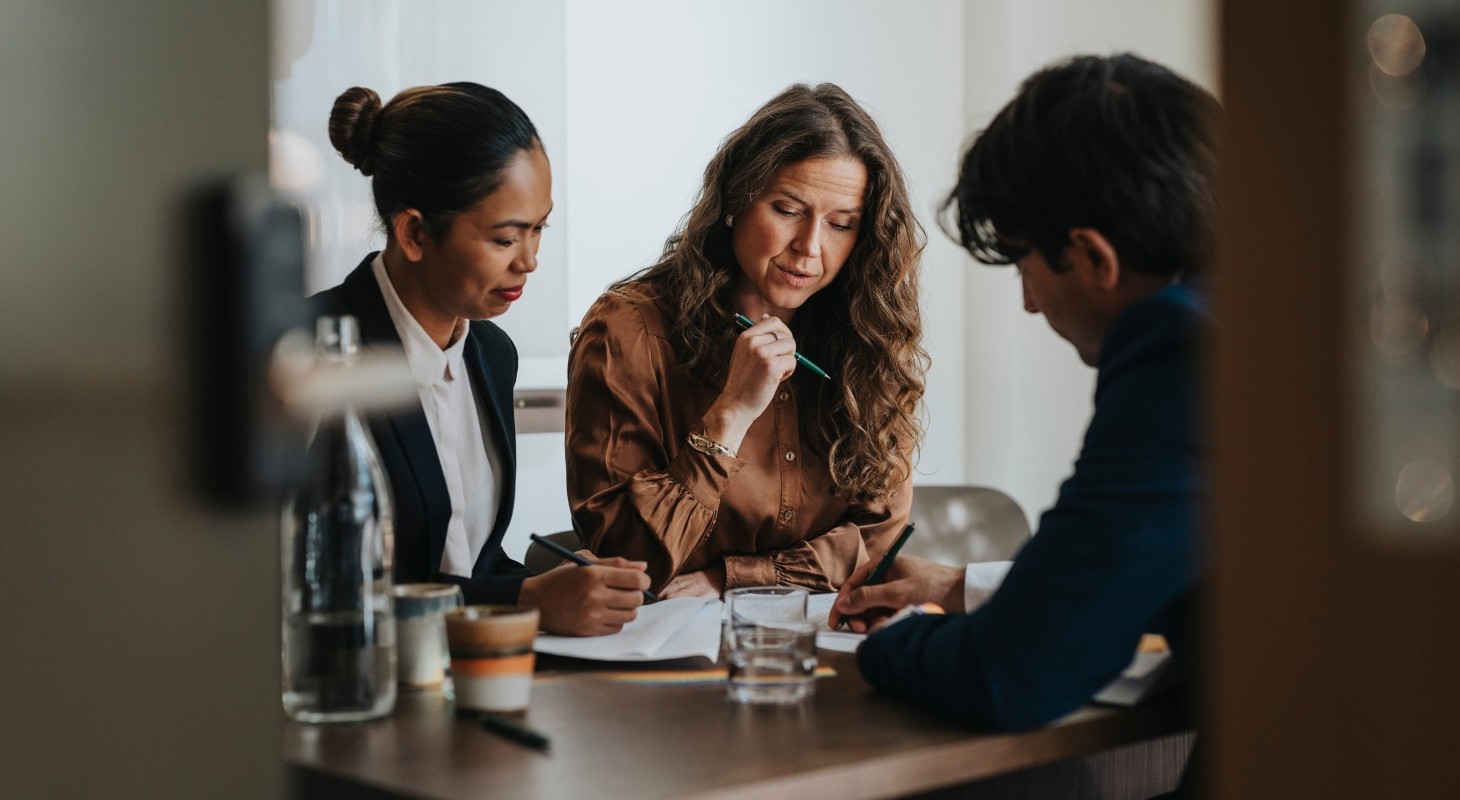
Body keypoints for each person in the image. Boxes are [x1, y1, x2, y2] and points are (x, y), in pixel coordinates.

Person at [835, 52, 1216, 760]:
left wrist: (890, 645)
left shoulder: (1177, 347)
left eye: (1024, 266)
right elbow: (1150, 560)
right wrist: (965, 587)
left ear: (1093, 258)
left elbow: (1015, 672)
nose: (1030, 303)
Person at [565, 83, 928, 599]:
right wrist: (731, 413)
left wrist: (732, 579)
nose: (809, 247)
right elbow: (623, 555)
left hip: (819, 629)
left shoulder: (869, 335)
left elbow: (878, 534)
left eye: (841, 224)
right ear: (735, 201)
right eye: (787, 210)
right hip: (666, 633)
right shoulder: (629, 330)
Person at [314, 83, 649, 636]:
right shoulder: (316, 351)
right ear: (414, 233)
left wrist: (564, 587)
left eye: (539, 228)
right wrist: (526, 599)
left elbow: (472, 566)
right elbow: (321, 589)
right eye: (505, 239)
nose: (530, 260)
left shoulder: (492, 354)